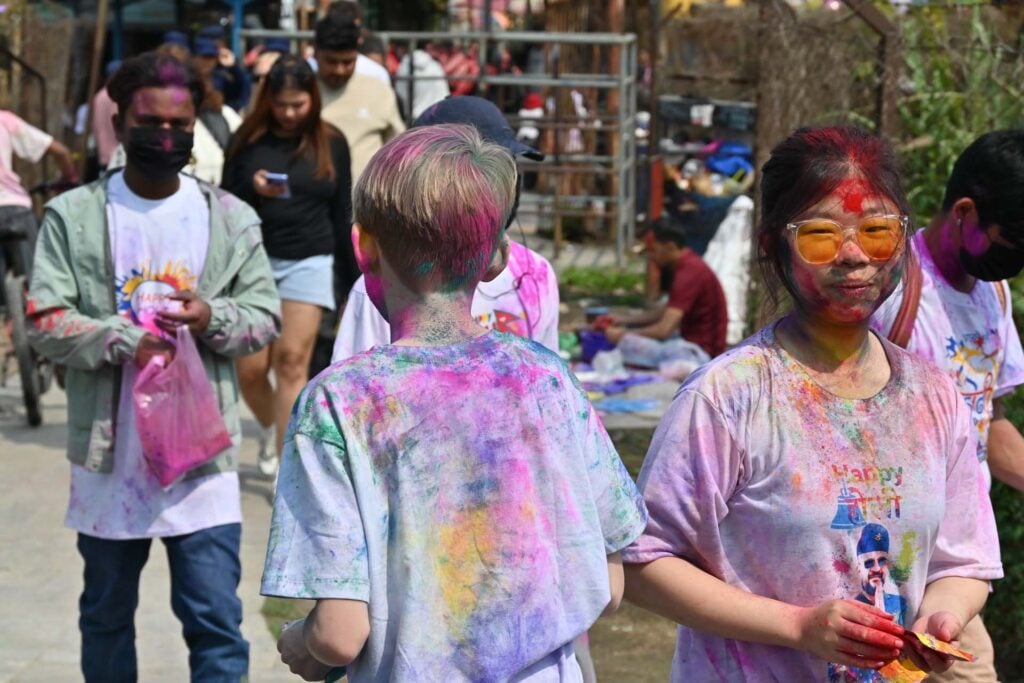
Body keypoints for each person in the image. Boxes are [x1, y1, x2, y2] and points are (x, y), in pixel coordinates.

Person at [261, 124, 647, 681]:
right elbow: (608, 586)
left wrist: (303, 642)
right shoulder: (546, 379)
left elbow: (339, 635)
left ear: (363, 246)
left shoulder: (340, 404)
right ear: (495, 259)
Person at [621, 125, 1002, 682]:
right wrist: (797, 625)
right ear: (772, 245)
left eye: (877, 231)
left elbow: (963, 561)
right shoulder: (728, 396)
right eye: (821, 235)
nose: (853, 256)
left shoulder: (935, 396)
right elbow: (643, 563)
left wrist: (942, 618)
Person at [25, 51, 280, 682]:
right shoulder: (75, 216)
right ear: (119, 122)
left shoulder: (230, 218)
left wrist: (211, 316)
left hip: (203, 466)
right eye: (149, 123)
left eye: (179, 125)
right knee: (106, 617)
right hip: (111, 463)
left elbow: (263, 317)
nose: (165, 137)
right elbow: (44, 320)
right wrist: (122, 340)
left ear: (195, 126)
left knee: (215, 623)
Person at [871, 129, 1024, 682]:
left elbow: (989, 423)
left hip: (954, 576)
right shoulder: (889, 292)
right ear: (964, 212)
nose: (1017, 261)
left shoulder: (993, 294)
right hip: (878, 567)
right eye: (1011, 243)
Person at [332, 95, 558, 363]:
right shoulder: (385, 282)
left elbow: (546, 365)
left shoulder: (536, 273)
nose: (493, 190)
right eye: (469, 178)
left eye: (504, 168)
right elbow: (358, 377)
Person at [223, 54, 354, 479]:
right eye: (281, 104)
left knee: (292, 362)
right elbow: (225, 202)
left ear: (312, 99)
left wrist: (352, 280)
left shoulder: (331, 142)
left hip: (310, 259)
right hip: (254, 263)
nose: (290, 113)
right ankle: (269, 428)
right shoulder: (247, 140)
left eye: (298, 104)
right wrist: (251, 185)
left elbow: (342, 214)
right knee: (250, 370)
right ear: (268, 100)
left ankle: (286, 469)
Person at [603, 217, 728, 366]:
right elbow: (667, 312)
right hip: (694, 343)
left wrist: (623, 335)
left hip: (700, 353)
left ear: (669, 246)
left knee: (628, 344)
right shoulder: (689, 265)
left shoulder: (689, 272)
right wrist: (624, 320)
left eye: (653, 250)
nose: (651, 257)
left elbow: (663, 330)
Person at [313, 16, 405, 180]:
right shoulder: (302, 92)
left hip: (366, 194)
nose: (340, 70)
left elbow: (399, 150)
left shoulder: (379, 91)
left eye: (348, 62)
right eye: (331, 62)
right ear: (315, 54)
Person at [0, 109, 77, 272]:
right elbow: (61, 152)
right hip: (15, 207)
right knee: (37, 276)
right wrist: (70, 180)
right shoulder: (5, 120)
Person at [395, 42, 451, 120]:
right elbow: (444, 94)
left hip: (412, 118)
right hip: (435, 116)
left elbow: (400, 95)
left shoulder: (403, 67)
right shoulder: (435, 66)